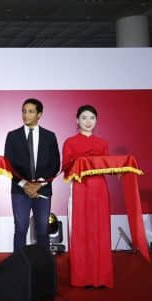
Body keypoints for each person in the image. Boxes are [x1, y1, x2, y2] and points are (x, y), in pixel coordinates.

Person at [62, 105, 113, 288]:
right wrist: (79, 163)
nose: (88, 121)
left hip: (99, 189)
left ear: (96, 120)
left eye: (92, 118)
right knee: (81, 230)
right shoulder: (70, 142)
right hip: (80, 188)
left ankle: (101, 277)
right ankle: (82, 278)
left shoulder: (103, 143)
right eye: (84, 118)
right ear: (77, 120)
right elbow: (66, 168)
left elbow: (107, 166)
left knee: (100, 229)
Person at [4, 98, 60, 252]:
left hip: (43, 189)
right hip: (20, 189)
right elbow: (8, 164)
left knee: (42, 230)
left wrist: (39, 184)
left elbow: (55, 164)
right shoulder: (12, 136)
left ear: (39, 114)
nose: (26, 115)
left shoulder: (50, 136)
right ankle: (18, 264)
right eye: (24, 111)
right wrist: (25, 185)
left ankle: (43, 265)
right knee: (20, 228)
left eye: (30, 112)